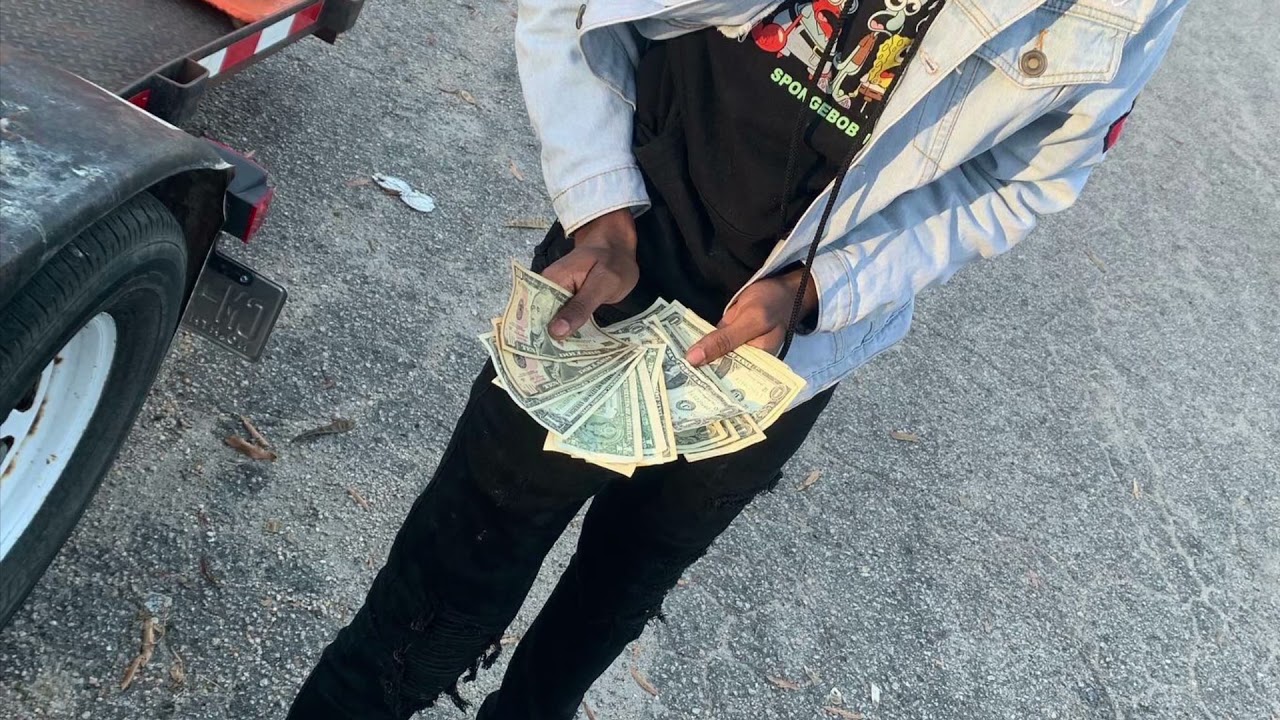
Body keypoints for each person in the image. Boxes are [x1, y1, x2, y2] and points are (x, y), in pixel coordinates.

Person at [288, 0, 1187, 717]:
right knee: (434, 594)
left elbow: (1018, 180)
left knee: (613, 595)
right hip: (613, 262)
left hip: (784, 353)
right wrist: (599, 206)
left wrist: (817, 290)